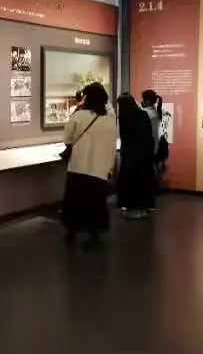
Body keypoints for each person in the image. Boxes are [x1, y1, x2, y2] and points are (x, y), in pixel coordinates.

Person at [62, 82, 118, 250]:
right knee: (96, 204)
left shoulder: (79, 115)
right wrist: (109, 167)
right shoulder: (110, 119)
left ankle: (71, 232)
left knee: (74, 201)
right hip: (99, 169)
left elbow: (67, 138)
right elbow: (112, 145)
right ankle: (94, 236)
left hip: (78, 166)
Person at [116, 94, 155, 220]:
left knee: (130, 183)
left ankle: (131, 210)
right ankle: (143, 210)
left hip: (131, 155)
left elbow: (125, 137)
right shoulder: (143, 114)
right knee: (143, 183)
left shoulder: (124, 116)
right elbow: (149, 135)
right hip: (144, 155)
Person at [141, 90, 163, 212]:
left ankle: (148, 202)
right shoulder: (155, 112)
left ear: (147, 101)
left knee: (147, 177)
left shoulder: (147, 113)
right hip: (154, 146)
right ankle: (150, 202)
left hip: (148, 147)